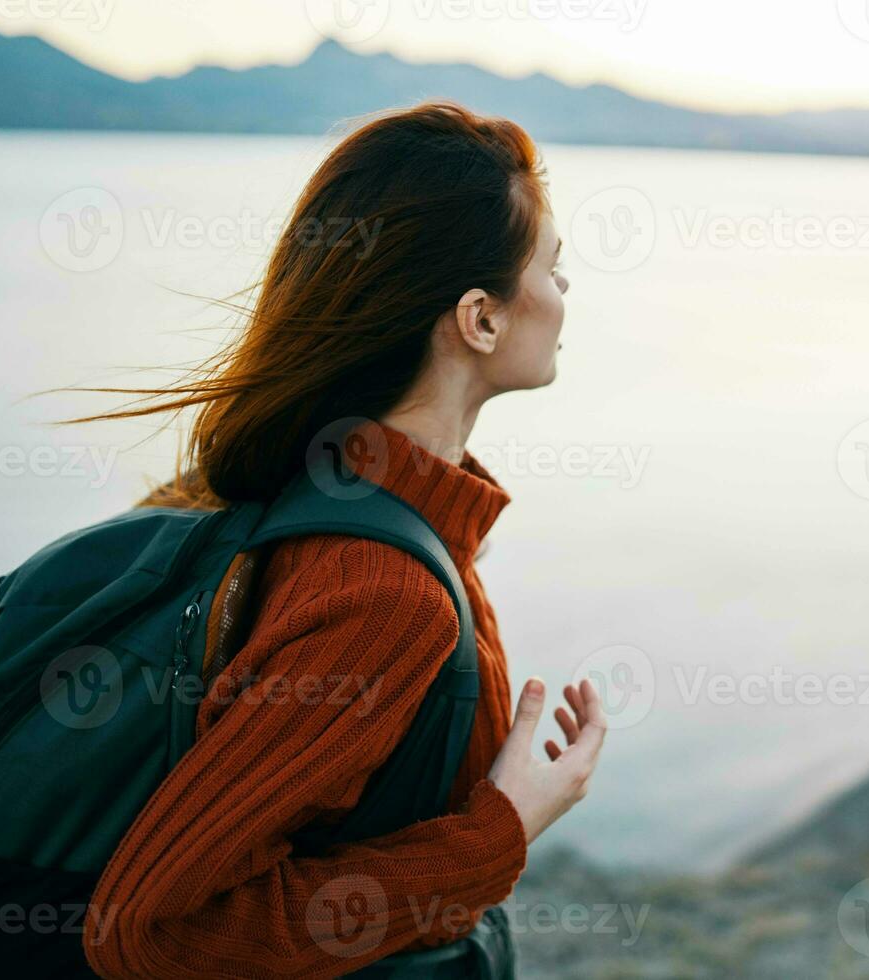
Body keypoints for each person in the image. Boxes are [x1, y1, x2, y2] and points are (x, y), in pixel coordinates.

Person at [75, 100, 606, 978]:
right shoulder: (381, 594)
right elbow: (147, 930)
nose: (564, 292)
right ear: (480, 318)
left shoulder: (327, 490)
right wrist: (502, 828)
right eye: (552, 266)